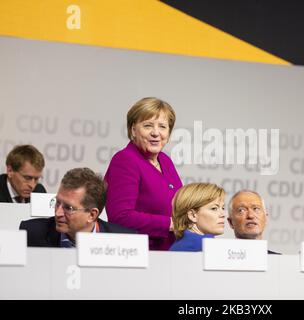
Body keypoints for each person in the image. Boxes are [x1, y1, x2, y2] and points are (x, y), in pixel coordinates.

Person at [104, 97, 182, 250]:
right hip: (140, 254)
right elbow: (120, 217)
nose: (156, 133)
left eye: (162, 127)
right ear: (133, 130)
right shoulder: (125, 160)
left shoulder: (165, 160)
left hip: (171, 252)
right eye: (148, 126)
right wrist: (170, 224)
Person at [19, 168, 135, 247]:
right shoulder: (30, 233)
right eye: (57, 203)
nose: (58, 213)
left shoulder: (124, 241)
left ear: (92, 215)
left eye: (68, 208)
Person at [170, 183, 225, 252]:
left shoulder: (176, 246)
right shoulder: (206, 244)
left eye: (223, 208)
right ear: (192, 215)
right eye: (214, 208)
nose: (223, 214)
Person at [228, 190, 280, 254]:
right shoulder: (220, 260)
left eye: (256, 209)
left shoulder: (279, 261)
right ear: (230, 222)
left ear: (266, 218)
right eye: (241, 210)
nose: (250, 215)